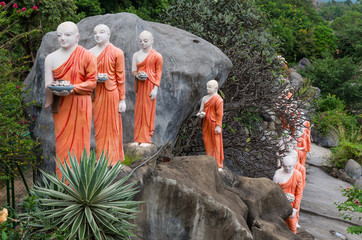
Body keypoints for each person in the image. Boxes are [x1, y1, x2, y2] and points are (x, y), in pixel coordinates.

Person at [44, 21, 97, 178]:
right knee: (62, 143)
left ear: (77, 37)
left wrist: (72, 88)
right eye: (59, 35)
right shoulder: (51, 58)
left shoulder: (87, 56)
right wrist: (56, 88)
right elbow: (48, 85)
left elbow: (92, 82)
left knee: (81, 142)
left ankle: (81, 182)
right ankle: (63, 182)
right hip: (61, 105)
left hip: (81, 103)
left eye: (68, 35)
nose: (63, 39)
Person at [89, 24, 126, 165]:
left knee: (112, 126)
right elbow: (86, 74)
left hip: (111, 93)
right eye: (95, 33)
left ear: (109, 34)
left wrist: (122, 99)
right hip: (96, 93)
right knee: (99, 127)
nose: (98, 35)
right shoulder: (89, 53)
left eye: (101, 32)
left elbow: (121, 77)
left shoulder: (117, 52)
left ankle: (113, 158)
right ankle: (101, 157)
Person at [131, 30, 163, 147]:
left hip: (150, 85)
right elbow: (133, 70)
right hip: (140, 85)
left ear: (152, 40)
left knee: (147, 110)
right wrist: (137, 75)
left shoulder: (157, 56)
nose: (143, 43)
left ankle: (145, 139)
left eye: (145, 41)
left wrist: (155, 89)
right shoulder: (136, 54)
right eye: (140, 41)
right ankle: (137, 137)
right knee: (139, 111)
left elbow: (158, 73)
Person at [197, 80, 224, 171]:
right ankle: (210, 161)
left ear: (215, 88)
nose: (207, 88)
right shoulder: (204, 98)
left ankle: (218, 164)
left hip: (214, 124)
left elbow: (220, 114)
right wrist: (200, 115)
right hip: (206, 124)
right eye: (207, 86)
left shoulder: (218, 99)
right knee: (207, 141)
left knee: (216, 143)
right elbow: (201, 110)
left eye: (209, 87)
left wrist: (218, 126)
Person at [273, 153, 303, 234]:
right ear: (282, 164)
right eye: (285, 166)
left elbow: (299, 193)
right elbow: (273, 191)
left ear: (294, 164)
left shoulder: (298, 175)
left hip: (291, 204)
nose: (287, 168)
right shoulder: (278, 174)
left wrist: (295, 208)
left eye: (290, 166)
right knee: (276, 225)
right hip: (279, 203)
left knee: (292, 227)